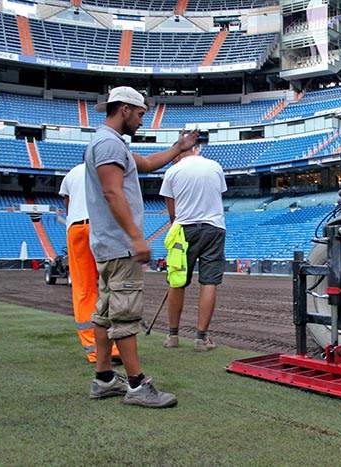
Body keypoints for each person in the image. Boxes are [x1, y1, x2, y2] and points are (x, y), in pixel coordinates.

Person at [85, 86, 197, 408]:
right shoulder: (108, 143)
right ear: (124, 110)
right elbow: (112, 193)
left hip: (109, 245)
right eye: (139, 114)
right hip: (119, 245)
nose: (141, 120)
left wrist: (179, 147)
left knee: (105, 312)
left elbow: (146, 164)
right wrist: (135, 237)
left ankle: (104, 378)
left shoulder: (108, 142)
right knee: (125, 314)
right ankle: (136, 384)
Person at [159, 144, 227, 352]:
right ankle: (201, 338)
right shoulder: (215, 166)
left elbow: (172, 212)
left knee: (177, 280)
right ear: (195, 150)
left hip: (184, 228)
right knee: (209, 282)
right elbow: (218, 194)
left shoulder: (172, 171)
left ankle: (172, 336)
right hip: (213, 227)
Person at [59, 161, 120, 364]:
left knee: (84, 290)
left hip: (77, 229)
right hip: (102, 226)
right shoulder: (107, 168)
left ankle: (94, 350)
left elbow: (68, 205)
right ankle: (116, 348)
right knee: (111, 286)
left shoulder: (72, 173)